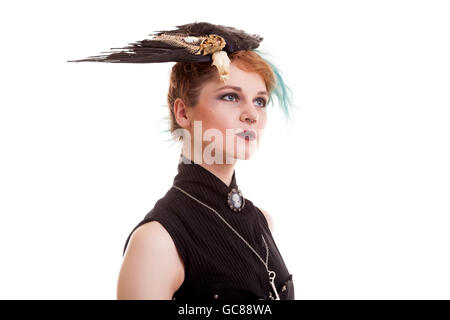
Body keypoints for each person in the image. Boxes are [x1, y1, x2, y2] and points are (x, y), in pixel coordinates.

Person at [68, 22, 295, 300]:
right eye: (231, 96)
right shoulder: (157, 242)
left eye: (259, 101)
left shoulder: (262, 222)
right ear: (183, 114)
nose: (251, 114)